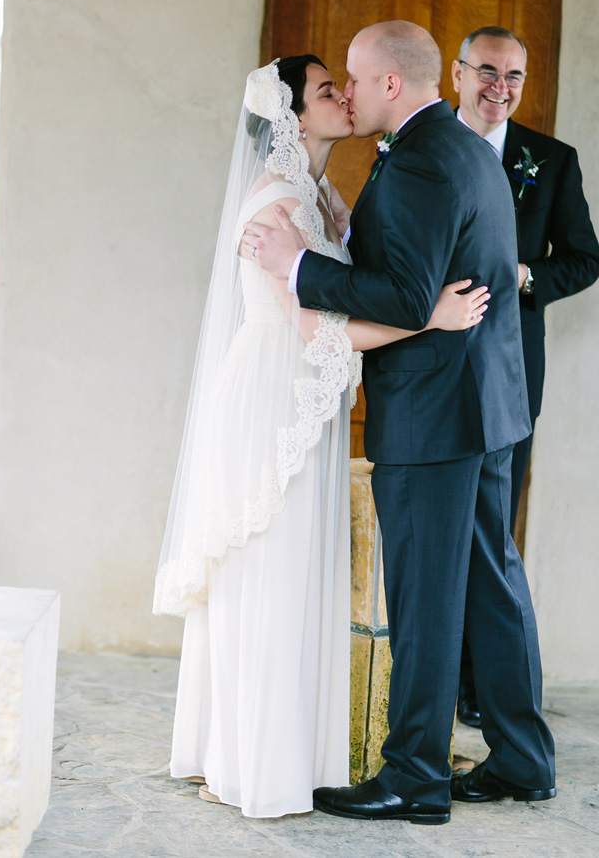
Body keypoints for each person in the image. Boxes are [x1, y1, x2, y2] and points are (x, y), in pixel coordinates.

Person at [152, 55, 488, 818]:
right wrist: (425, 317)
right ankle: (246, 760)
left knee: (297, 573)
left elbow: (351, 279)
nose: (344, 95)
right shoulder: (276, 201)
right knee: (267, 573)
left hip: (306, 390)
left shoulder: (320, 194)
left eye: (346, 84)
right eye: (327, 91)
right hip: (277, 390)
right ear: (295, 118)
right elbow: (309, 320)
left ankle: (275, 748)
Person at [243, 22, 556, 824]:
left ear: (389, 83)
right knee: (491, 583)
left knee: (424, 598)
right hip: (484, 405)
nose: (346, 91)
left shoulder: (418, 159)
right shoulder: (459, 146)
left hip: (435, 416)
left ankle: (414, 778)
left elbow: (410, 297)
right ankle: (523, 758)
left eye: (353, 76)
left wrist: (299, 267)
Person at [452, 26, 599, 729]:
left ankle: (487, 692)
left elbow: (583, 258)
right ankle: (429, 679)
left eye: (514, 76)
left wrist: (527, 276)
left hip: (510, 372)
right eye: (488, 71)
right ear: (457, 73)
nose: (501, 88)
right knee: (434, 533)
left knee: (491, 535)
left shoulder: (550, 159)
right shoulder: (413, 148)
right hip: (425, 368)